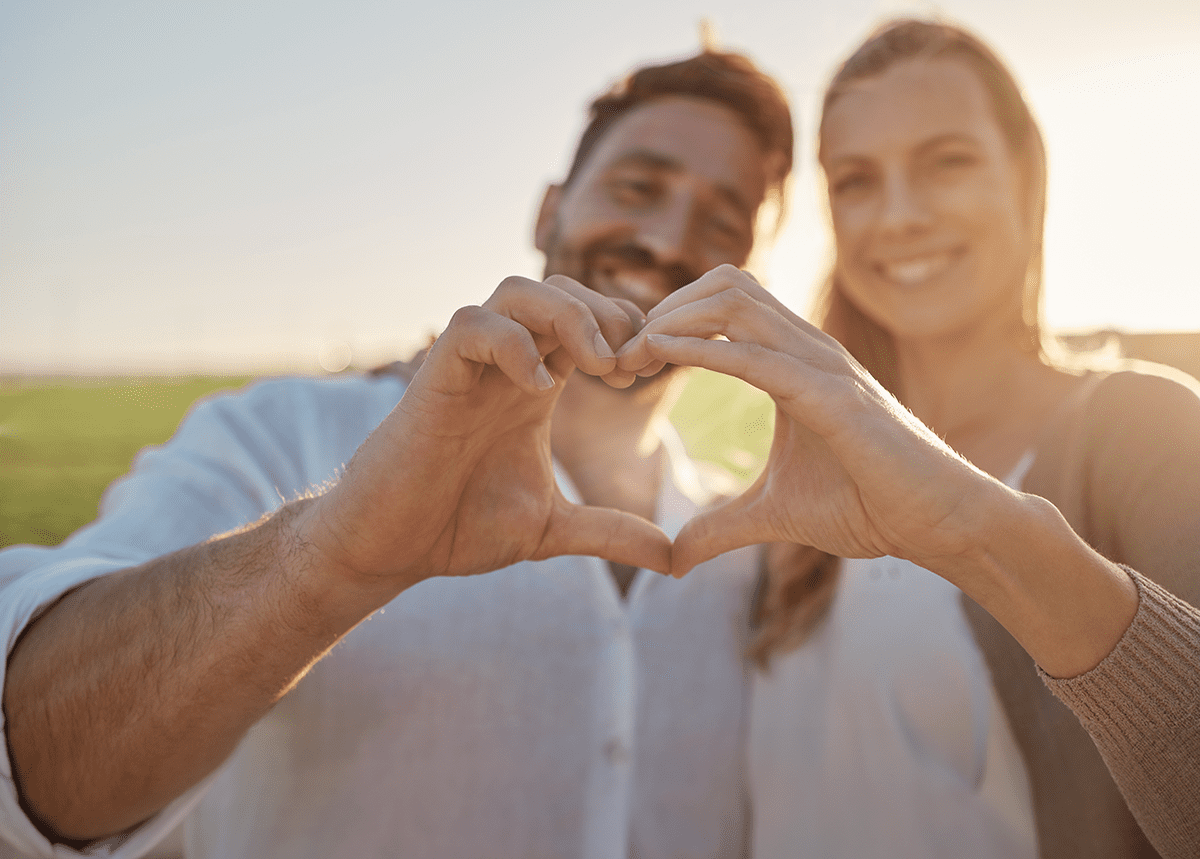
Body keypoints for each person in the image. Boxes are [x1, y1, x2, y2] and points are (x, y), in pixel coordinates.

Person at [0, 50, 793, 857]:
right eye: (637, 187)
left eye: (722, 220)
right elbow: (28, 761)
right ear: (550, 209)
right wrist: (327, 559)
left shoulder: (754, 546)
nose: (666, 240)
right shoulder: (283, 433)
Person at [615, 19, 1200, 859]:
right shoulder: (800, 472)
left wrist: (977, 533)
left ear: (1025, 174)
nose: (900, 216)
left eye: (947, 163)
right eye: (857, 181)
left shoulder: (1139, 429)